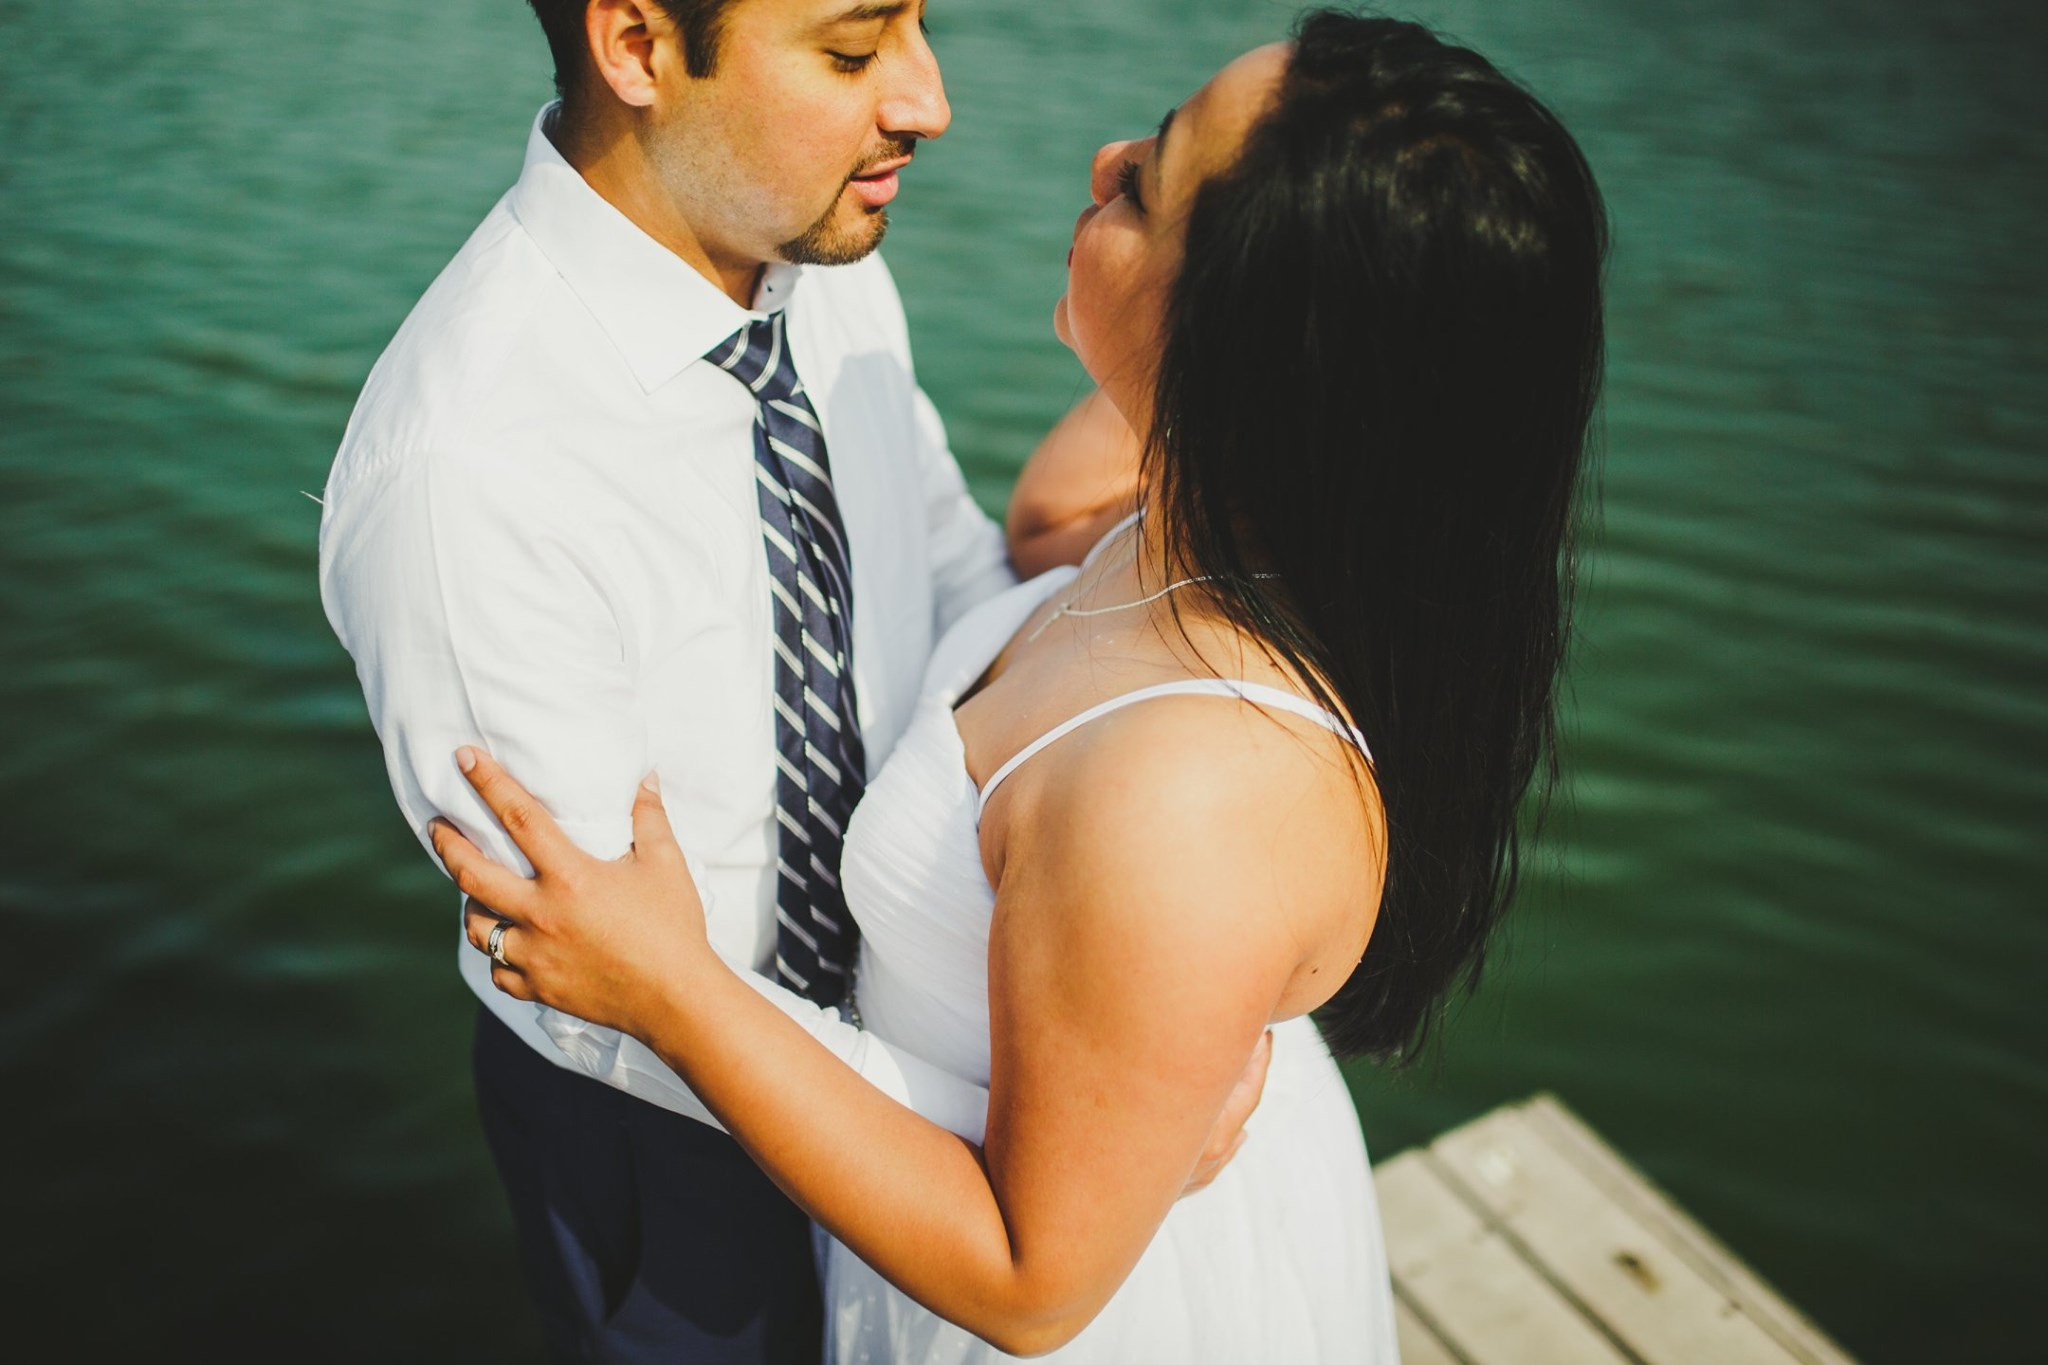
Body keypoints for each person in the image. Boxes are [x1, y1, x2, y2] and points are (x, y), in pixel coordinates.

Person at [429, 9, 1611, 1362]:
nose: (1103, 157)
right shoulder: (1178, 530)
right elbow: (1035, 524)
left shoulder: (1188, 798)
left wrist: (678, 990)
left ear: (1245, 334)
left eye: (1149, 180)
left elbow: (1029, 1278)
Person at [317, 1, 1264, 1360]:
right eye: (852, 49)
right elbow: (607, 979)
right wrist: (1070, 1132)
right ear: (638, 45)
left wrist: (1146, 980)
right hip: (682, 1150)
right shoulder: (464, 474)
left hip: (936, 1040)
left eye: (921, 26)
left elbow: (949, 575)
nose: (929, 101)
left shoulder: (820, 261)